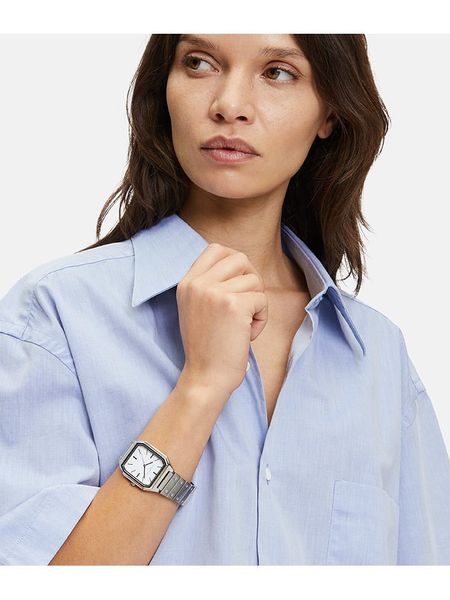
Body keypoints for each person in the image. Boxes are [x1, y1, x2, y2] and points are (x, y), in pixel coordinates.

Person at [0, 33, 449, 566]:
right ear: (164, 89)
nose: (230, 105)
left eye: (278, 72)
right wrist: (201, 387)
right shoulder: (56, 316)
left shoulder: (379, 357)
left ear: (329, 112)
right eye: (199, 63)